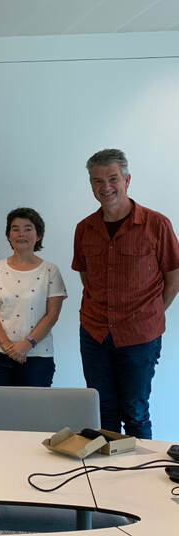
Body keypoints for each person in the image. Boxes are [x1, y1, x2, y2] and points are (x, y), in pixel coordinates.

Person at [73, 149, 179, 439]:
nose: (105, 187)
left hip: (140, 336)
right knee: (103, 412)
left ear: (127, 179)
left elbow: (174, 276)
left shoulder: (157, 224)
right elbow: (87, 277)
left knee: (135, 411)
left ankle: (138, 478)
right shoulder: (84, 229)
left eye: (112, 178)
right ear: (91, 185)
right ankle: (109, 480)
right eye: (97, 181)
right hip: (94, 334)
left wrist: (151, 313)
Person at [0, 207, 67, 387]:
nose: (21, 234)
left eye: (28, 229)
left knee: (34, 412)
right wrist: (7, 346)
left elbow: (52, 315)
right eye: (15, 228)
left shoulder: (50, 271)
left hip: (37, 357)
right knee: (1, 412)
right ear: (8, 236)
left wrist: (27, 344)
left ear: (39, 235)